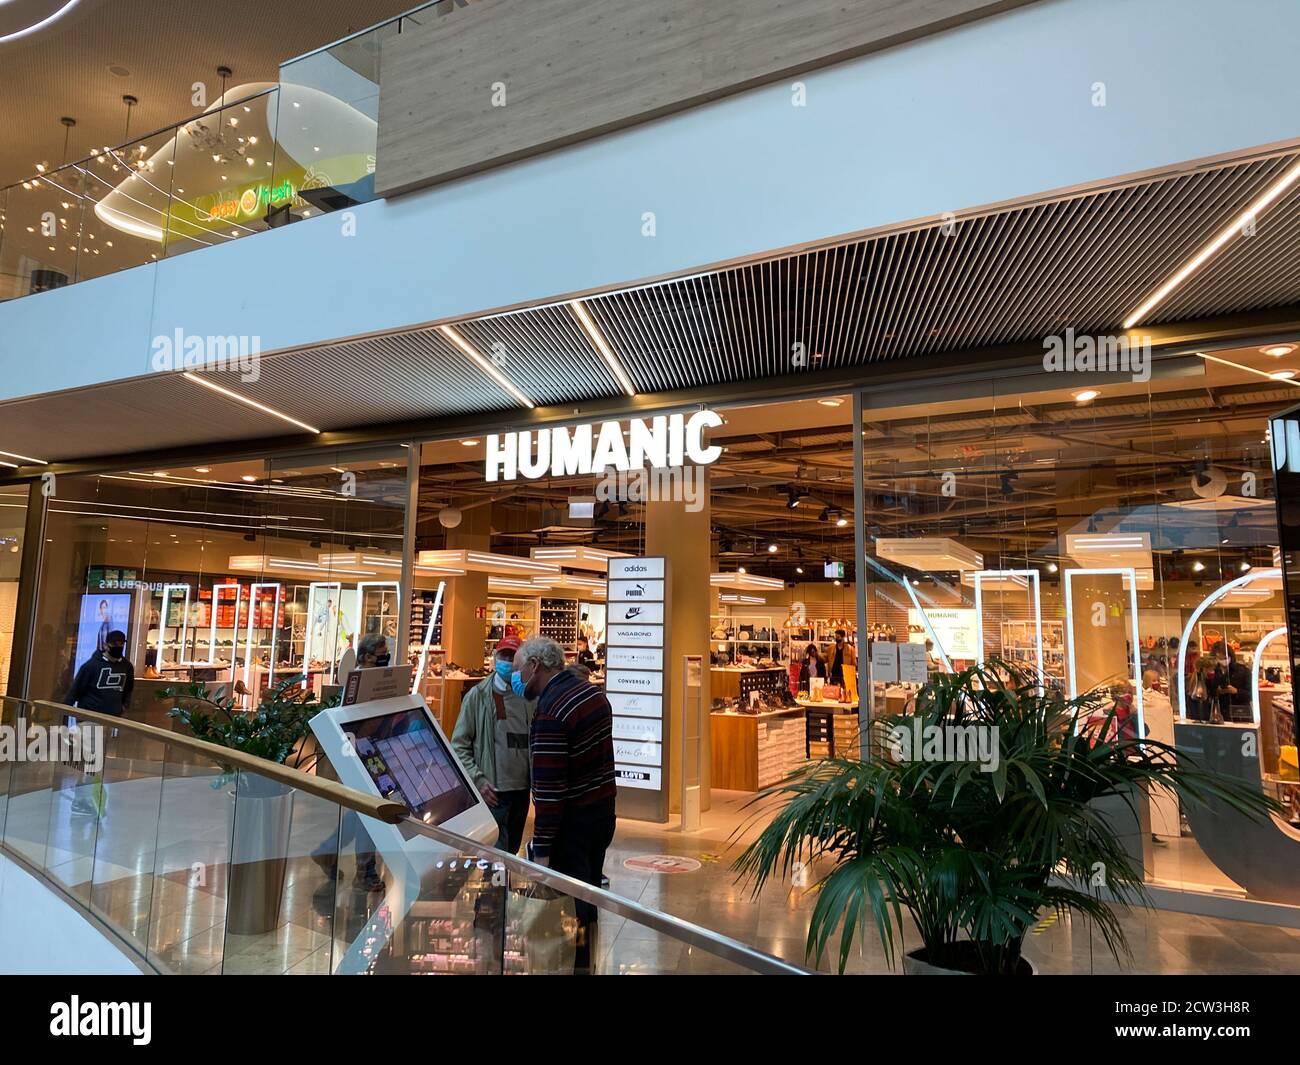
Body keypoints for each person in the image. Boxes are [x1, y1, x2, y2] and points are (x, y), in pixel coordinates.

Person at [514, 635, 615, 974]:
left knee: (568, 906)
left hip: (570, 827)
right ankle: (587, 962)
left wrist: (541, 847)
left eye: (519, 669)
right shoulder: (594, 695)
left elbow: (550, 789)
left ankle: (573, 966)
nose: (517, 678)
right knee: (587, 899)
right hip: (601, 814)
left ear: (534, 666)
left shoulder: (551, 712)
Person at [451, 636, 535, 854]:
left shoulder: (530, 696)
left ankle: (504, 887)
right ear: (495, 658)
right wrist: (477, 779)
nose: (506, 660)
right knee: (496, 855)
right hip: (494, 791)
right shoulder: (478, 696)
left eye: (512, 656)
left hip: (522, 791)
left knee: (513, 849)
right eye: (503, 655)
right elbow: (459, 745)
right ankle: (494, 887)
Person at [64, 629, 133, 817]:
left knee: (96, 763)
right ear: (107, 644)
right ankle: (81, 799)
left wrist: (123, 707)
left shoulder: (126, 667)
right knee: (88, 761)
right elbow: (75, 690)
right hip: (89, 719)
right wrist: (64, 713)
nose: (118, 647)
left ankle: (86, 798)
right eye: (115, 643)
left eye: (121, 643)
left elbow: (128, 689)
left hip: (109, 721)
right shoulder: (91, 666)